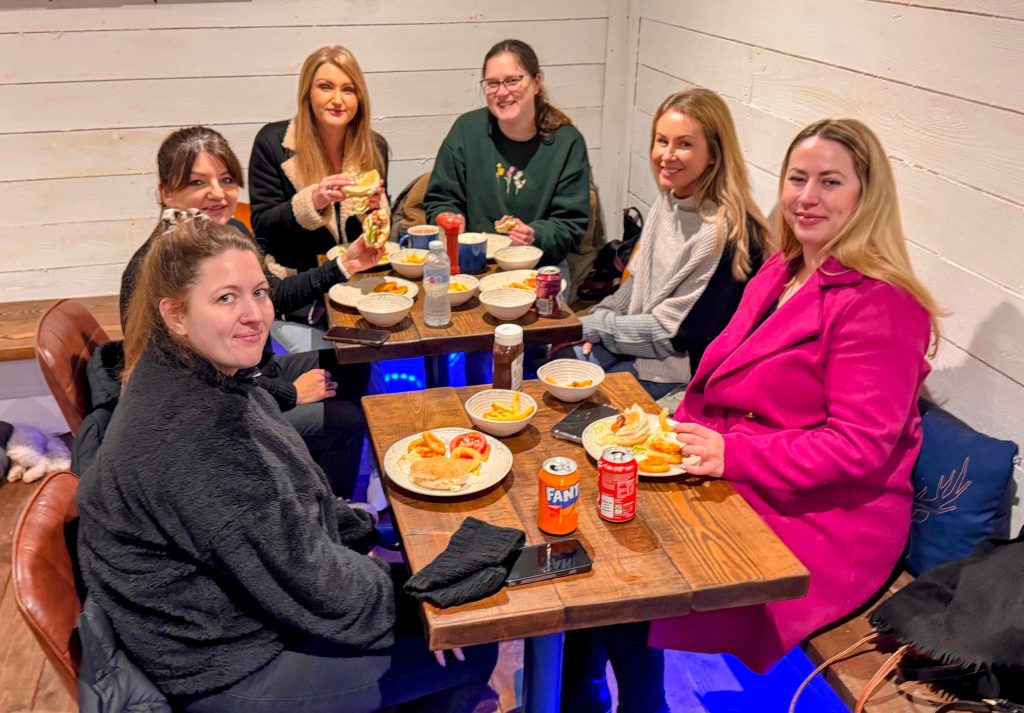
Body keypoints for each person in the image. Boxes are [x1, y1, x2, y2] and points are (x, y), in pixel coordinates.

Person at [563, 118, 942, 712]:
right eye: (797, 178)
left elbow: (858, 448)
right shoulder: (783, 270)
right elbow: (717, 375)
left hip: (831, 513)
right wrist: (676, 434)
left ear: (866, 196)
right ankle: (581, 690)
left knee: (641, 566)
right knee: (603, 513)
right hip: (744, 460)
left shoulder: (883, 305)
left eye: (830, 182)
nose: (807, 197)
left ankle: (638, 703)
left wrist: (728, 453)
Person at [77, 210, 498, 713]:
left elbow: (293, 511)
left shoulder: (196, 371)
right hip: (218, 663)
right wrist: (419, 605)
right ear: (175, 315)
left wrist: (366, 533)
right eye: (225, 298)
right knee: (470, 641)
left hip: (228, 611)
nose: (255, 314)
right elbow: (311, 581)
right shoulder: (199, 440)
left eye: (258, 292)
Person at [117, 126, 382, 498]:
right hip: (213, 412)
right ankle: (328, 515)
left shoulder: (225, 235)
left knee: (351, 362)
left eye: (226, 179)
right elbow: (199, 383)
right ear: (166, 193)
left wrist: (346, 265)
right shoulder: (159, 271)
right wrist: (288, 393)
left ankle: (309, 485)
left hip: (253, 374)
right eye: (197, 182)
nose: (218, 193)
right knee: (344, 420)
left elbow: (274, 294)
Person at [570, 88, 769, 399]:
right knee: (559, 362)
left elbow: (673, 335)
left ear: (714, 153)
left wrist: (599, 329)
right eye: (662, 141)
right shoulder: (671, 200)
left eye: (684, 144)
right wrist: (600, 318)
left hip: (679, 373)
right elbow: (638, 280)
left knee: (575, 386)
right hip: (637, 342)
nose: (667, 155)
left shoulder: (728, 233)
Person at [248, 45, 389, 352]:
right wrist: (313, 202)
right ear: (307, 93)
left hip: (356, 285)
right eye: (326, 87)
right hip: (298, 292)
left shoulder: (374, 147)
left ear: (359, 98)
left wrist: (376, 212)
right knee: (339, 366)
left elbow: (375, 233)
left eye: (348, 89)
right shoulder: (272, 143)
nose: (337, 100)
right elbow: (263, 224)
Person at [424, 38, 591, 272]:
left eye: (513, 80)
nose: (502, 92)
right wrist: (448, 219)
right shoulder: (466, 130)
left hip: (538, 265)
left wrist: (535, 235)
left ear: (537, 82)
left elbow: (570, 225)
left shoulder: (566, 143)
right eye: (492, 83)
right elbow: (440, 199)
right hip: (473, 260)